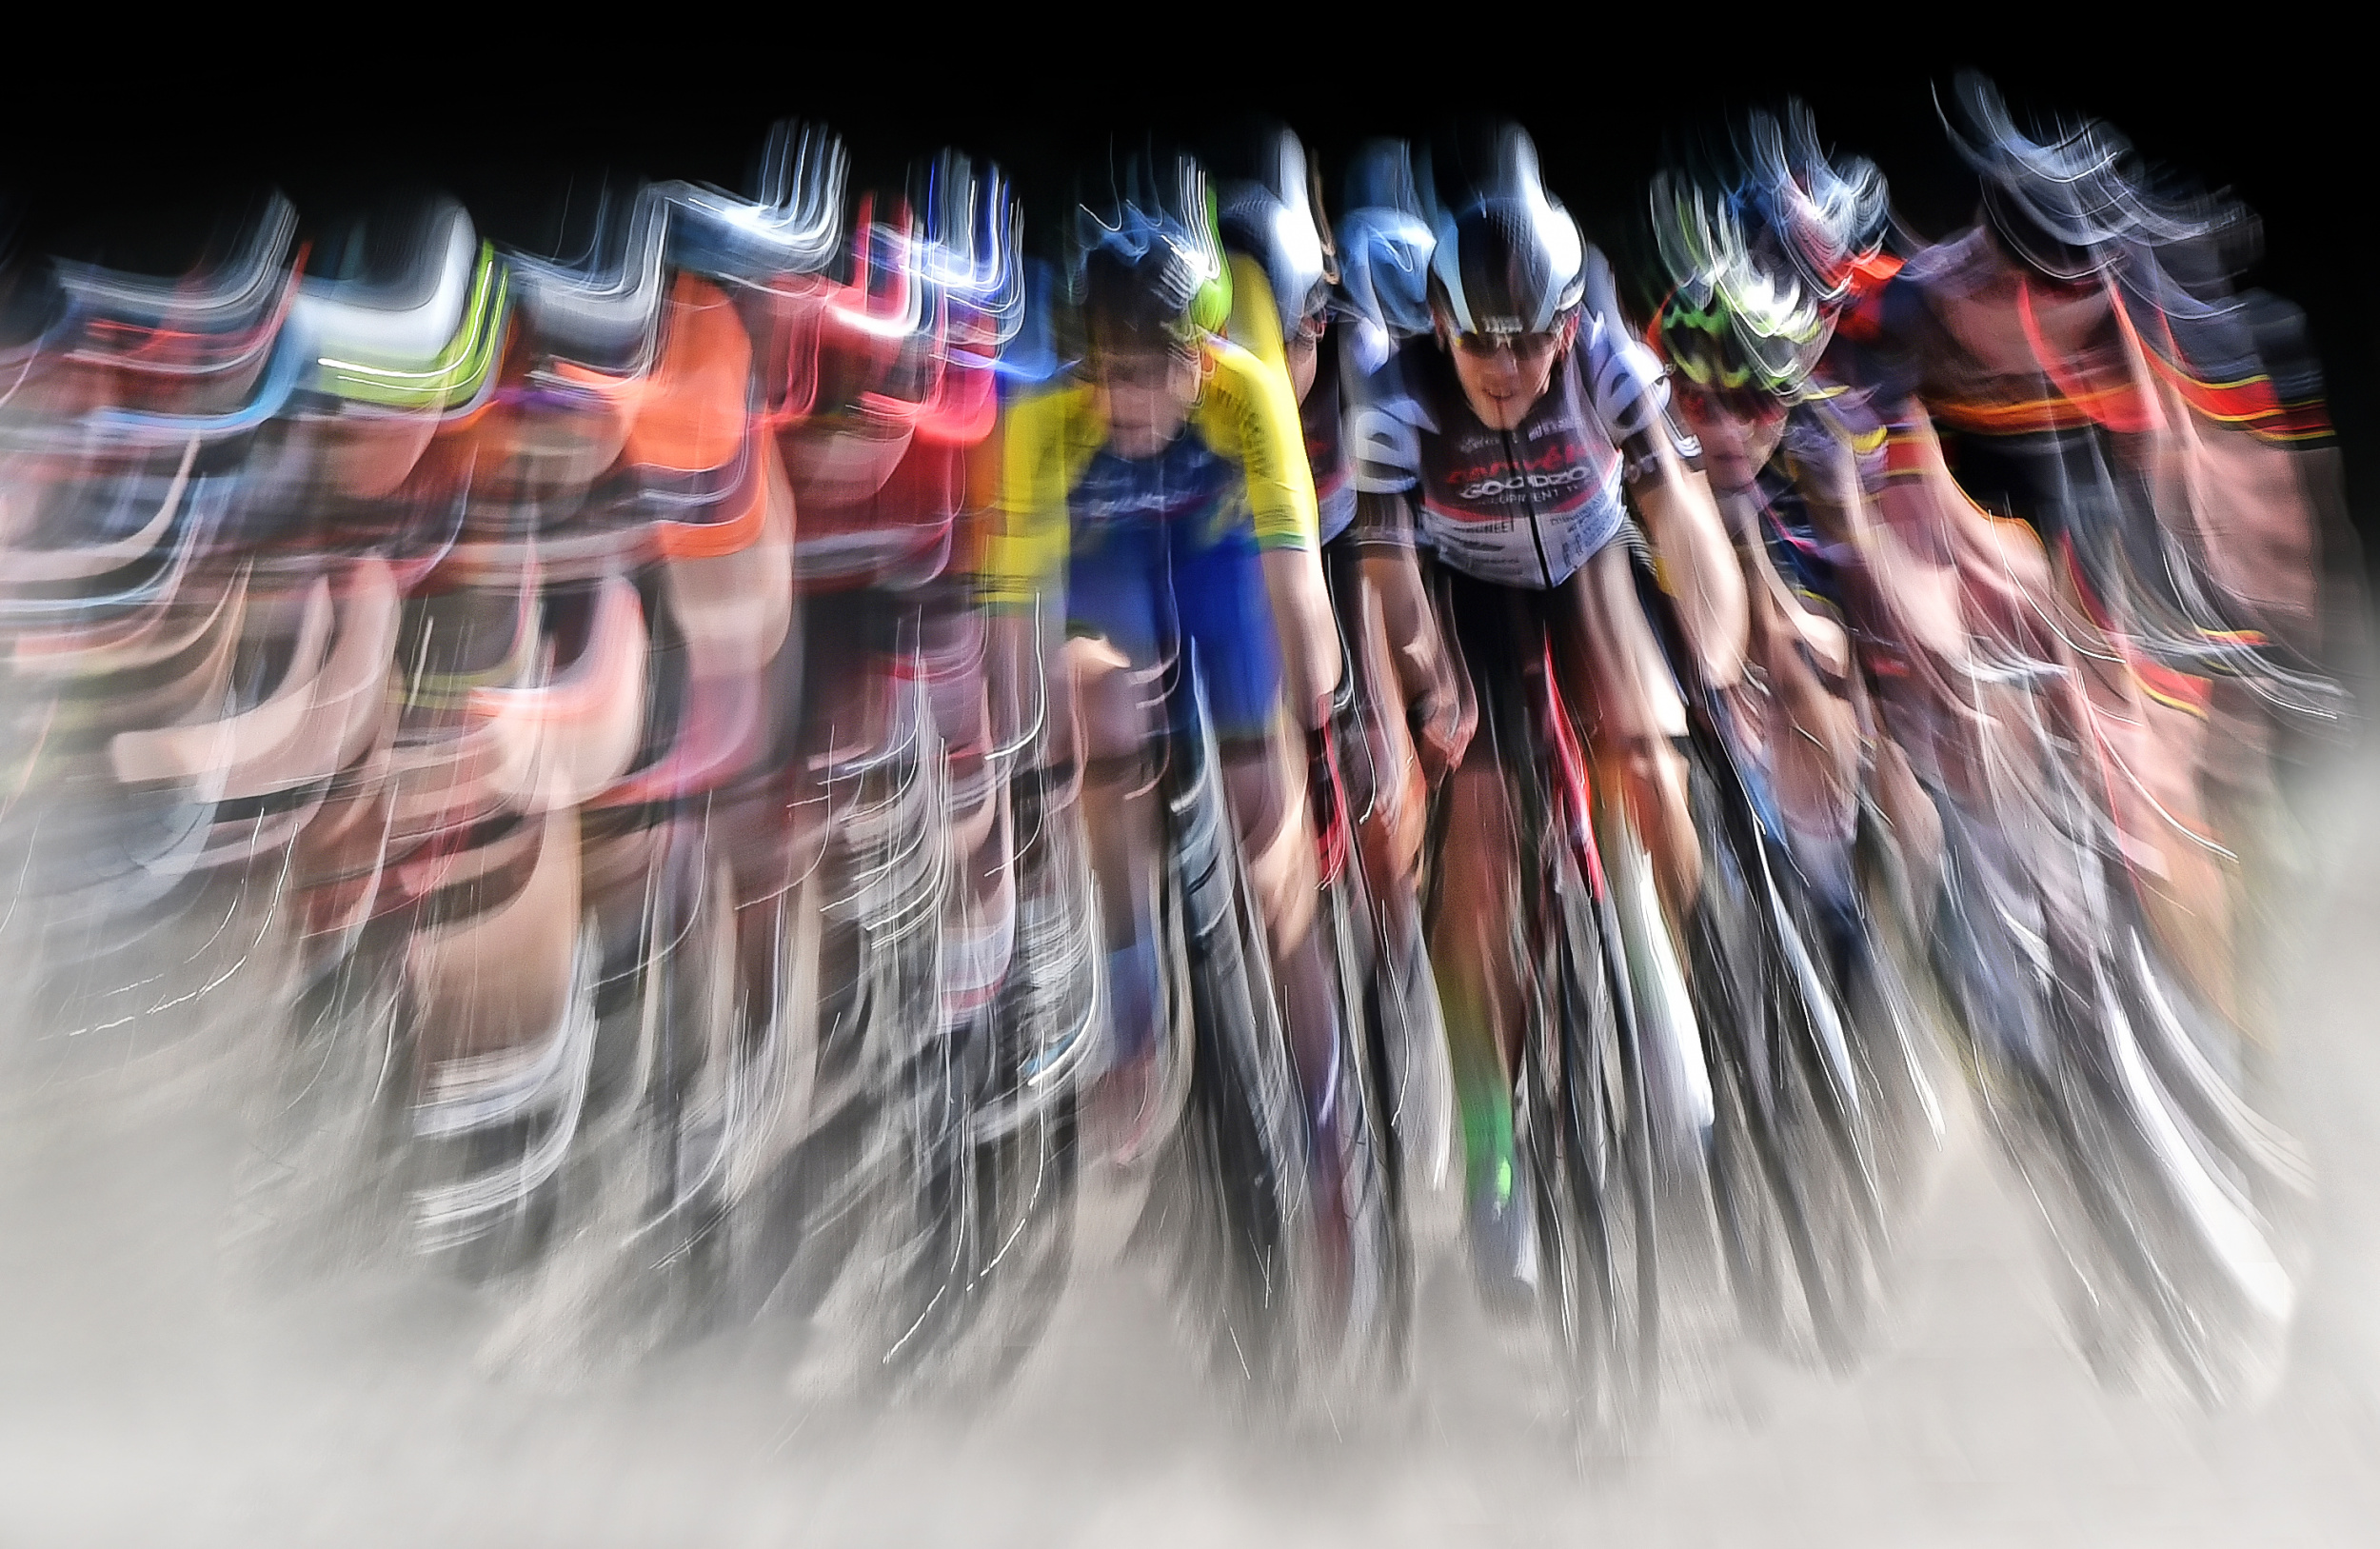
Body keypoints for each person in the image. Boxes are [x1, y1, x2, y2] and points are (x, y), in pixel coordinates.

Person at [1344, 121, 1739, 1300]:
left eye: (1527, 340)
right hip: (1464, 597)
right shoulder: (1397, 400)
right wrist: (1428, 689)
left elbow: (1679, 514)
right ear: (1440, 326)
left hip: (1585, 565)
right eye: (1479, 342)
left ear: (1569, 326)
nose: (1505, 366)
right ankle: (1492, 1151)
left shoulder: (1607, 364)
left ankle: (1665, 988)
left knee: (1653, 763)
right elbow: (1389, 582)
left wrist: (1712, 632)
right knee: (1477, 865)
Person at [980, 164, 1347, 1190]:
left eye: (1154, 370)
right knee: (1092, 709)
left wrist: (1314, 722)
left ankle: (1329, 1121)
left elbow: (1298, 594)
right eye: (1109, 370)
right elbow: (1014, 627)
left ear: (1203, 354)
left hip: (1218, 558)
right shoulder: (1044, 419)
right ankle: (1132, 990)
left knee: (1269, 831)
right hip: (1109, 566)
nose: (1128, 396)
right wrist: (1035, 756)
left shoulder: (1250, 392)